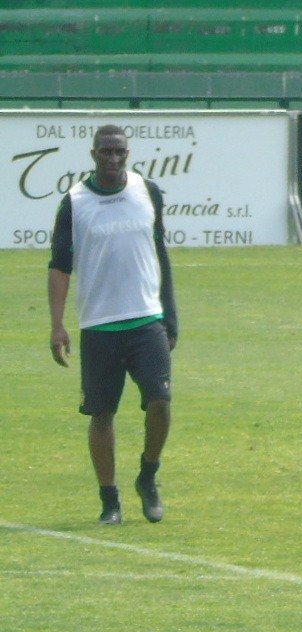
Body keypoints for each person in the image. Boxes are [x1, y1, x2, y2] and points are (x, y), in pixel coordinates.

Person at [47, 124, 179, 526]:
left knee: (161, 402)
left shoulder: (147, 191)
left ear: (128, 152)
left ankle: (148, 475)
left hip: (147, 319)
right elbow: (59, 266)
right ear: (93, 154)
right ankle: (110, 500)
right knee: (101, 414)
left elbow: (160, 253)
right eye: (105, 152)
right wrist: (57, 324)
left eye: (119, 151)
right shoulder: (75, 202)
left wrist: (170, 313)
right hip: (99, 325)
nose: (113, 158)